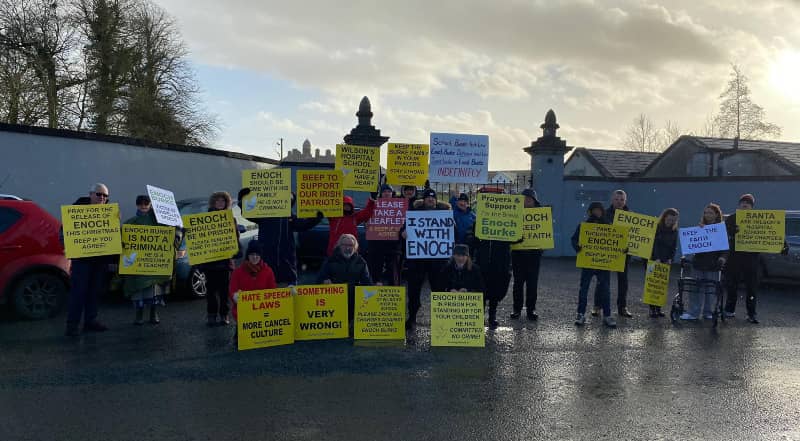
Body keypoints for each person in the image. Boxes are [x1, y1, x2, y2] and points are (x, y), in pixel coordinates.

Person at [723, 194, 789, 323]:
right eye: (743, 202)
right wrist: (732, 231)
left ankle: (751, 314)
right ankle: (729, 310)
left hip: (752, 259)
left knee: (752, 288)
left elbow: (773, 232)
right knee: (732, 286)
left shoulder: (760, 218)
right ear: (739, 204)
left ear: (752, 206)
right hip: (734, 258)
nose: (745, 204)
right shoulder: (732, 218)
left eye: (748, 203)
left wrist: (783, 245)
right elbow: (722, 235)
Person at [239, 188, 322, 286]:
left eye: (289, 198)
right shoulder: (263, 213)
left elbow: (303, 225)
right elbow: (247, 213)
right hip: (267, 258)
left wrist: (317, 217)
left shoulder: (289, 216)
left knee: (287, 292)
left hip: (286, 261)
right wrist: (244, 199)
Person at [64, 183, 115, 337]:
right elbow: (64, 233)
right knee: (78, 293)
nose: (102, 198)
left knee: (94, 292)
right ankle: (72, 325)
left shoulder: (109, 213)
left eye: (105, 196)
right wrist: (66, 245)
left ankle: (90, 321)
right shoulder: (76, 211)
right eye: (99, 194)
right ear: (90, 194)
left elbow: (113, 236)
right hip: (82, 261)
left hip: (100, 261)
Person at [121, 195, 181, 325]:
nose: (143, 206)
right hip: (138, 264)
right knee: (138, 290)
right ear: (137, 205)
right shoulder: (130, 222)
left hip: (154, 263)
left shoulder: (159, 221)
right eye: (140, 203)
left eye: (146, 203)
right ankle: (139, 315)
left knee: (155, 290)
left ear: (150, 204)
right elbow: (123, 241)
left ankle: (154, 313)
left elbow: (173, 235)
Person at [400, 188, 451, 329]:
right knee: (414, 291)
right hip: (417, 261)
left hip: (438, 261)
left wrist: (452, 227)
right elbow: (402, 231)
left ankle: (440, 320)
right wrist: (403, 233)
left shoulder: (445, 215)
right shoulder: (414, 214)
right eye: (428, 198)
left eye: (433, 198)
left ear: (436, 200)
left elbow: (454, 235)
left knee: (439, 290)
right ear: (424, 200)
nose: (430, 200)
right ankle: (412, 318)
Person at [572, 202, 616, 328]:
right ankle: (580, 314)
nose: (597, 213)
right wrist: (577, 247)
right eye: (594, 210)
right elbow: (574, 239)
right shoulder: (583, 226)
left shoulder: (609, 226)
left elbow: (617, 242)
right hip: (588, 262)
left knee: (606, 290)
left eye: (599, 210)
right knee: (584, 289)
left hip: (603, 263)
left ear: (602, 212)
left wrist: (622, 250)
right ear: (590, 212)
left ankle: (607, 315)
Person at [200, 191, 240, 327]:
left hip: (225, 263)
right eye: (217, 201)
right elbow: (199, 240)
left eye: (223, 201)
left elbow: (236, 237)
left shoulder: (231, 219)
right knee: (210, 291)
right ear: (213, 202)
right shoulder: (205, 219)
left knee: (224, 292)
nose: (220, 203)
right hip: (210, 262)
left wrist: (236, 251)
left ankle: (224, 315)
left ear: (226, 203)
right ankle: (211, 315)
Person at [681, 204, 727, 321]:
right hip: (699, 263)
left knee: (710, 291)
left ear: (716, 214)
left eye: (710, 213)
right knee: (695, 289)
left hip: (713, 264)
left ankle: (708, 312)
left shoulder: (720, 229)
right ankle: (693, 312)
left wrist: (722, 258)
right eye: (706, 213)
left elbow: (725, 249)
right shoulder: (700, 228)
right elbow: (693, 244)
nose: (707, 215)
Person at [317, 234, 371, 329]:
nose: (347, 248)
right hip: (334, 301)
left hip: (353, 300)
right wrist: (324, 281)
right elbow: (319, 279)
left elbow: (367, 283)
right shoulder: (330, 260)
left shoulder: (361, 262)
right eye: (345, 245)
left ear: (355, 247)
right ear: (339, 246)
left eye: (350, 245)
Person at [599, 189, 633, 318]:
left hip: (624, 254)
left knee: (623, 282)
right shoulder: (605, 214)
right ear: (612, 200)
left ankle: (622, 307)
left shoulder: (631, 217)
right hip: (607, 253)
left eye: (622, 200)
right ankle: (598, 305)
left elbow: (635, 236)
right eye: (617, 199)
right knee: (603, 280)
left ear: (625, 201)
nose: (619, 202)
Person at [511, 188, 543, 321]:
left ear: (534, 201)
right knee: (518, 283)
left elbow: (545, 234)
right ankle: (517, 309)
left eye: (529, 199)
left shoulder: (541, 215)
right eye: (524, 199)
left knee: (532, 284)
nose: (526, 201)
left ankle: (531, 309)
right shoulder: (514, 213)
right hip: (518, 254)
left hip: (534, 256)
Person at [229, 240, 277, 327]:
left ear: (261, 256)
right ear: (248, 256)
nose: (255, 257)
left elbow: (273, 291)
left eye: (257, 254)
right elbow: (232, 291)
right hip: (244, 313)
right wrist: (236, 296)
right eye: (252, 254)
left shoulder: (268, 271)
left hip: (263, 311)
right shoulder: (237, 272)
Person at [473, 225, 513, 329]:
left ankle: (492, 316)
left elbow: (513, 239)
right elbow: (474, 238)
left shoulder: (507, 222)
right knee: (481, 291)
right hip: (482, 262)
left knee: (495, 291)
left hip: (499, 263)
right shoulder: (480, 221)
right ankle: (479, 317)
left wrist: (518, 236)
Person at [366, 184, 402, 285]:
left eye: (388, 191)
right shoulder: (374, 204)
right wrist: (368, 223)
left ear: (392, 193)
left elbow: (403, 221)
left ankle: (393, 291)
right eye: (384, 191)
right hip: (377, 243)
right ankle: (376, 286)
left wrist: (403, 229)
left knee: (393, 271)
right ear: (381, 193)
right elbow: (367, 216)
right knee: (376, 268)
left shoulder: (398, 206)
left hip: (393, 244)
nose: (386, 193)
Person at [649, 208, 679, 318]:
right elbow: (653, 243)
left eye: (673, 220)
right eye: (669, 219)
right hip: (655, 258)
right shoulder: (657, 228)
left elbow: (674, 247)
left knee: (662, 286)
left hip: (666, 260)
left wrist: (671, 258)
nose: (670, 222)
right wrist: (656, 257)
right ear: (664, 217)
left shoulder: (674, 231)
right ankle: (652, 309)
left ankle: (659, 308)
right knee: (653, 285)